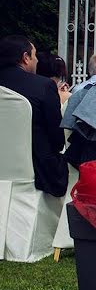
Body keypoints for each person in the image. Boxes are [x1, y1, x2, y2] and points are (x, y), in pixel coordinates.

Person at [0, 36, 67, 196]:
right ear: (25, 58)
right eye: (34, 55)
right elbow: (57, 140)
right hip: (37, 173)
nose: (37, 60)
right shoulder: (43, 86)